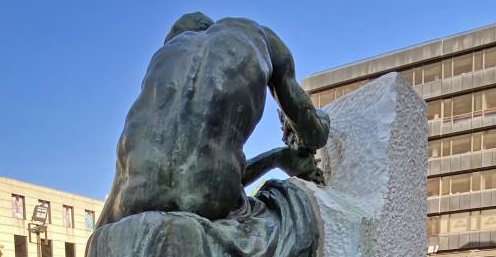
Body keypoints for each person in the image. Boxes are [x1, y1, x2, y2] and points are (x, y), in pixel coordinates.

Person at [97, 13, 331, 227]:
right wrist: (316, 122)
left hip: (131, 202)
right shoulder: (258, 36)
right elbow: (314, 136)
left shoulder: (163, 62)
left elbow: (144, 177)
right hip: (208, 199)